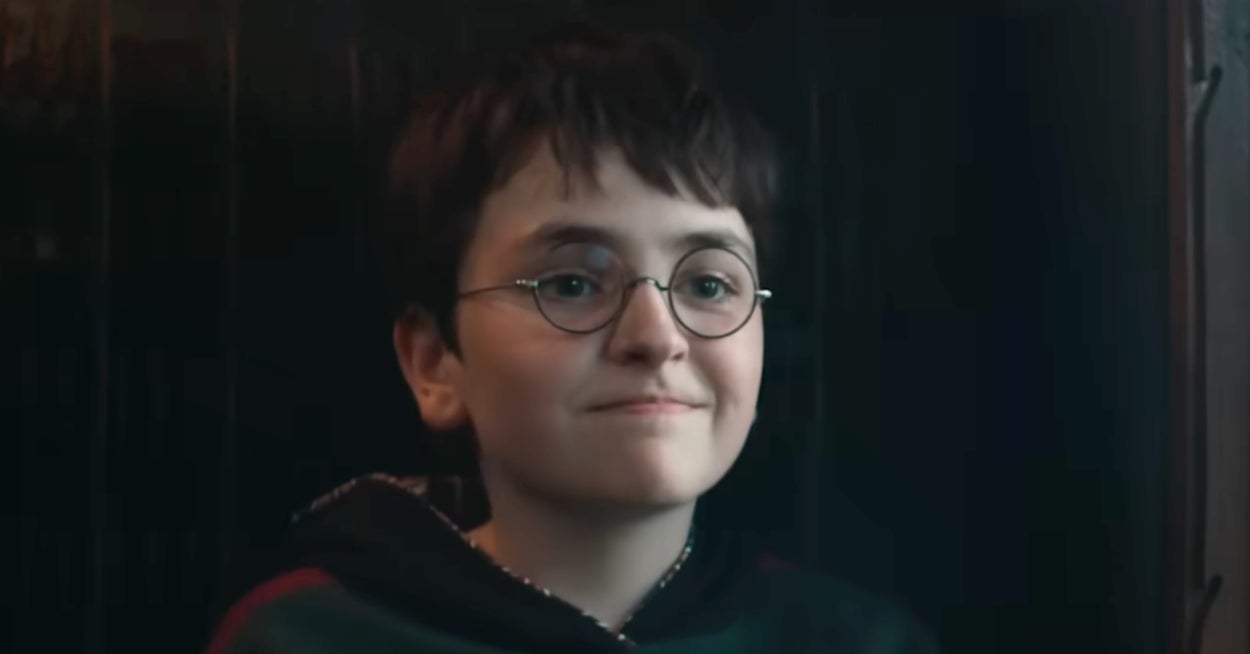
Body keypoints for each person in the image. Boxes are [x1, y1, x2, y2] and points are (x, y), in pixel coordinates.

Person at [204, 22, 938, 654]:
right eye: (572, 284)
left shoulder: (859, 642)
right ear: (434, 363)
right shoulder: (304, 638)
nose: (656, 337)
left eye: (709, 285)